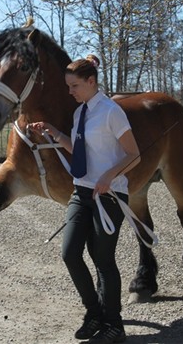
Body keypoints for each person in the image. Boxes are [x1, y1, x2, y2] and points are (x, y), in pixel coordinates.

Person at [28, 54, 140, 344]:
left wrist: (108, 177)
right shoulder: (80, 113)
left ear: (91, 82)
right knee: (70, 253)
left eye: (74, 86)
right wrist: (54, 132)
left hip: (109, 194)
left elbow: (134, 154)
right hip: (81, 192)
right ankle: (94, 314)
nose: (70, 92)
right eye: (68, 86)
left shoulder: (111, 112)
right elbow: (78, 150)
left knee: (103, 259)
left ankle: (115, 326)